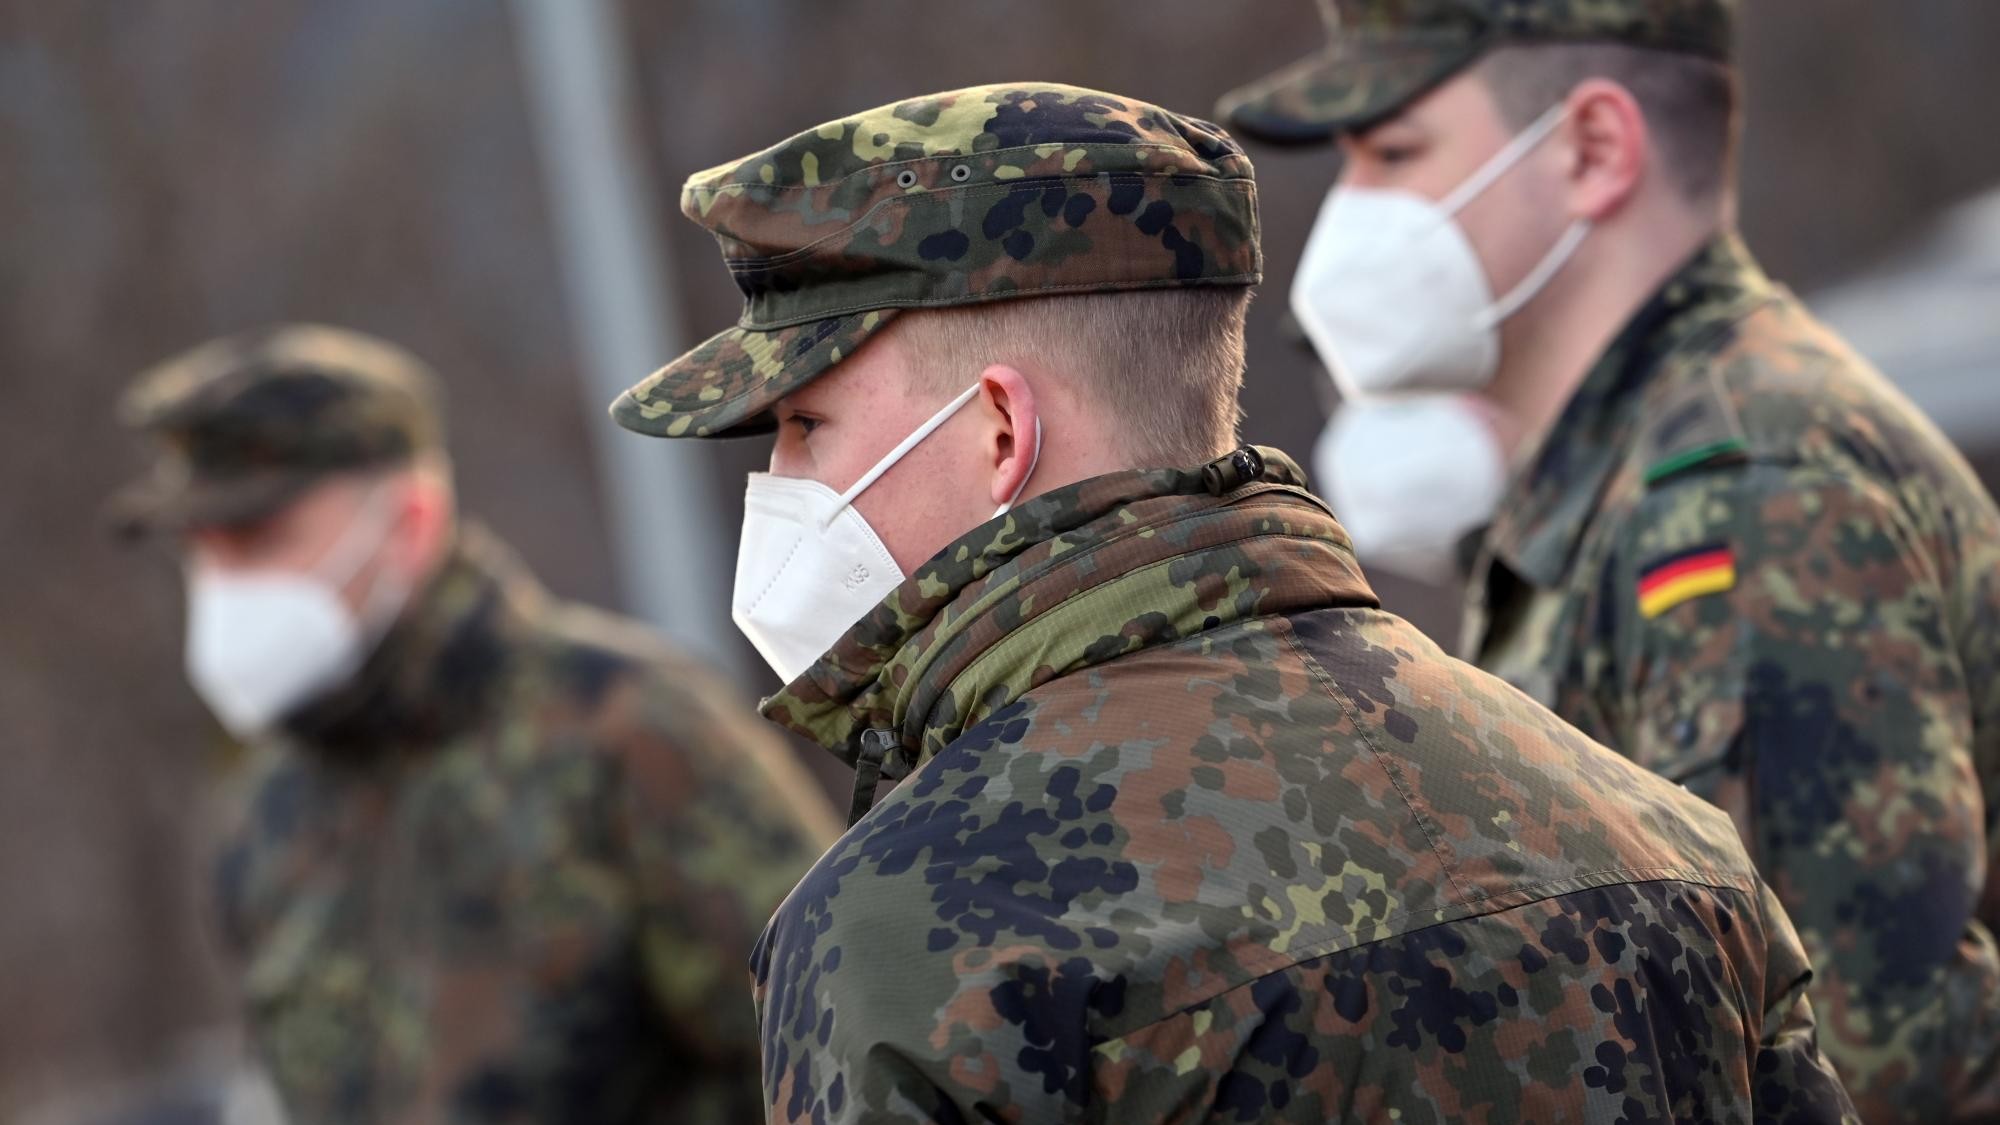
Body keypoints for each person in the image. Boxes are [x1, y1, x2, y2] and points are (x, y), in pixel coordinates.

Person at [609, 81, 1854, 1122]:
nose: (781, 484)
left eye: (805, 426)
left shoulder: (918, 932)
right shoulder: (1658, 846)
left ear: (998, 428)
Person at [1220, 1, 2000, 1118]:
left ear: (1591, 152)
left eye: (1393, 153)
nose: (1355, 209)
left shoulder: (1744, 497)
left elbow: (1856, 1065)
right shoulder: (1638, 467)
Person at [110, 325, 842, 1125]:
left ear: (411, 520)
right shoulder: (267, 813)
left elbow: (835, 1051)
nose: (226, 586)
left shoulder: (629, 728)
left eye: (261, 539)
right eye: (202, 553)